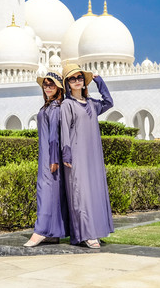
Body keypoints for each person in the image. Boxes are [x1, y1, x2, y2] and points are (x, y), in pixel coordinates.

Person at [60, 63, 114, 249]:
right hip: (76, 155)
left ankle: (96, 230)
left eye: (80, 78)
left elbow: (109, 102)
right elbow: (65, 131)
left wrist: (99, 81)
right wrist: (66, 154)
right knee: (80, 193)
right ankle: (86, 234)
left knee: (93, 192)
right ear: (67, 83)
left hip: (93, 155)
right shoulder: (67, 105)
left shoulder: (92, 104)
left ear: (84, 82)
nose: (77, 81)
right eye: (73, 78)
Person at [24, 70, 69, 247]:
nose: (48, 86)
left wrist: (53, 159)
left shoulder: (56, 107)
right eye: (45, 84)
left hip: (50, 157)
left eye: (52, 84)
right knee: (51, 193)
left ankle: (40, 231)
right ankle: (53, 233)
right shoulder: (48, 106)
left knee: (46, 192)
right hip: (46, 155)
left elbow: (53, 136)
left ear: (58, 88)